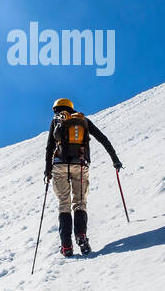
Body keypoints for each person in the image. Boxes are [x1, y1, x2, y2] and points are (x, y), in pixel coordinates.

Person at [44, 97, 122, 257]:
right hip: (80, 165)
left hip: (59, 166)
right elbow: (103, 139)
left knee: (63, 204)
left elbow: (49, 147)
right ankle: (81, 236)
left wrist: (47, 171)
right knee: (79, 203)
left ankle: (66, 246)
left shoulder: (56, 121)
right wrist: (115, 160)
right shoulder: (83, 120)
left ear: (56, 109)